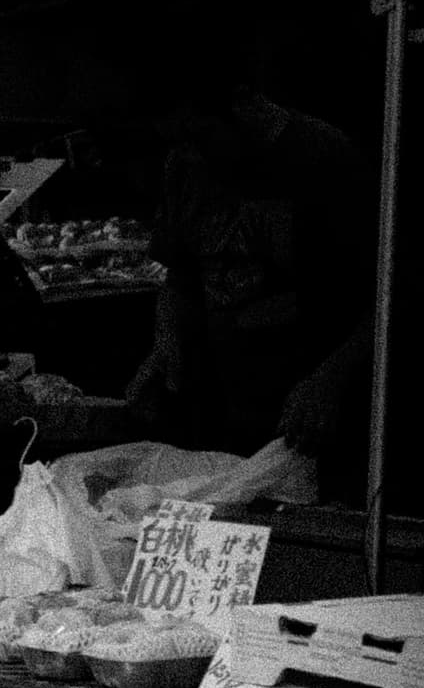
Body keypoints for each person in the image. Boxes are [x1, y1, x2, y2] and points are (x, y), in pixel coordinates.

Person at [128, 31, 376, 486]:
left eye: (198, 135)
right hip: (224, 421)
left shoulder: (326, 160)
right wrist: (166, 344)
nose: (189, 154)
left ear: (243, 103)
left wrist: (330, 383)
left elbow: (386, 301)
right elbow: (179, 278)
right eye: (176, 141)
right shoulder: (183, 165)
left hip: (313, 429)